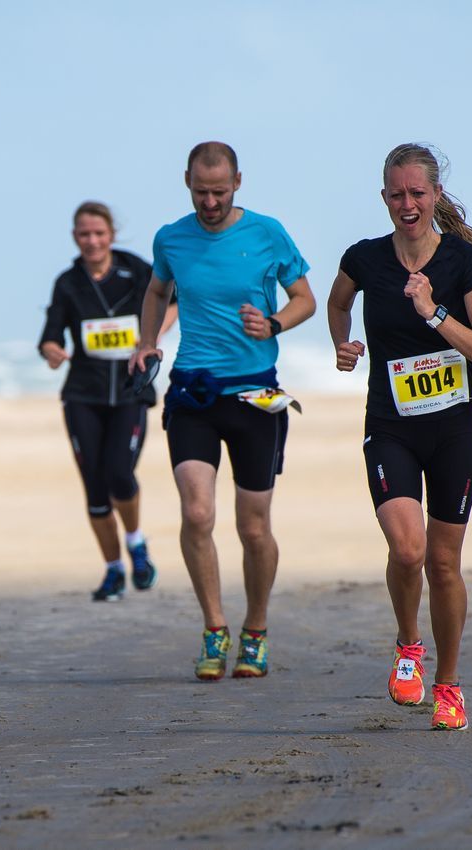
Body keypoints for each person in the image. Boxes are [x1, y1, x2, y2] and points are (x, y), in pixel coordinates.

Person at [326, 143, 472, 731]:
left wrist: (433, 311)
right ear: (384, 198)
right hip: (390, 427)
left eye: (417, 193)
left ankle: (449, 685)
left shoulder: (463, 262)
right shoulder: (364, 258)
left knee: (442, 563)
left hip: (455, 430)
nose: (407, 204)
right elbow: (337, 304)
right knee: (408, 549)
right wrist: (343, 344)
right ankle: (409, 645)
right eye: (397, 194)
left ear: (436, 195)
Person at [130, 142, 316, 681]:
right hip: (194, 394)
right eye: (200, 192)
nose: (209, 203)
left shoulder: (267, 233)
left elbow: (304, 298)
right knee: (197, 513)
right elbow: (156, 291)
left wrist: (274, 324)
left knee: (253, 528)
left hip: (256, 396)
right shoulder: (171, 238)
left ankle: (255, 629)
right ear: (186, 181)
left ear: (238, 182)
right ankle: (214, 628)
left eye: (219, 192)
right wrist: (147, 341)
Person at [39, 203, 178, 602]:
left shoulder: (136, 269)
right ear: (75, 237)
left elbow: (173, 302)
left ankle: (135, 541)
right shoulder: (68, 283)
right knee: (96, 489)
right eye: (84, 234)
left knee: (119, 472)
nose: (92, 241)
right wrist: (51, 351)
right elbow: (50, 335)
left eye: (99, 233)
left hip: (131, 391)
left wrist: (151, 337)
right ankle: (114, 569)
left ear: (111, 235)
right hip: (83, 395)